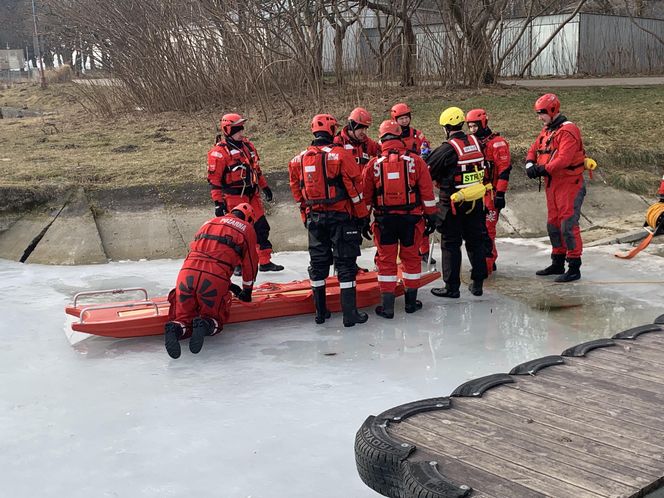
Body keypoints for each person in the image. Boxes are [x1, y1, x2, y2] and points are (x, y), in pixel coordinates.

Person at [288, 114, 371, 327]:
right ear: (332, 130)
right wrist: (362, 217)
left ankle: (320, 312)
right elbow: (355, 188)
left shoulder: (298, 159)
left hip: (315, 219)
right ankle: (349, 315)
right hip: (341, 217)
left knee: (317, 265)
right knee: (345, 265)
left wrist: (305, 217)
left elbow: (298, 192)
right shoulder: (340, 155)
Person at [363, 120, 438, 318]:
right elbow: (427, 192)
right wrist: (432, 217)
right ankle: (411, 304)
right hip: (411, 220)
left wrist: (362, 220)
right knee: (411, 260)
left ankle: (387, 307)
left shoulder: (373, 164)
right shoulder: (416, 161)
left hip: (384, 221)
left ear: (381, 138)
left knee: (386, 262)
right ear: (399, 136)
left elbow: (367, 197)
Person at [164, 203, 258, 359]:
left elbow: (206, 256)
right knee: (214, 318)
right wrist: (247, 291)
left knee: (183, 318)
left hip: (187, 274)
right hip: (214, 278)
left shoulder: (207, 223)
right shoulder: (246, 228)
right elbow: (250, 264)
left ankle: (174, 328)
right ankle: (205, 325)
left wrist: (230, 286)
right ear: (249, 219)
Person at [207, 113, 284, 273]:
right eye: (237, 129)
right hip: (234, 197)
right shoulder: (219, 153)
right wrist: (218, 203)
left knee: (261, 227)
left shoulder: (248, 146)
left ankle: (264, 261)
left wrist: (265, 188)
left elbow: (256, 170)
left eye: (242, 128)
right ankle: (237, 264)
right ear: (228, 130)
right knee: (237, 232)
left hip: (252, 194)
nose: (241, 132)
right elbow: (214, 181)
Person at [426, 106, 489, 298]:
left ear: (446, 127)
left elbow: (428, 170)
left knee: (451, 244)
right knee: (476, 242)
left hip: (452, 204)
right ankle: (477, 283)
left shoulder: (447, 149)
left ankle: (451, 287)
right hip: (476, 201)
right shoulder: (477, 143)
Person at [525, 93, 586, 282]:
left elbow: (563, 159)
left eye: (541, 113)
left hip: (569, 183)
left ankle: (574, 266)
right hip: (553, 184)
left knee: (568, 224)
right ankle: (558, 261)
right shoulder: (548, 130)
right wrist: (529, 164)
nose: (539, 117)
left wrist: (542, 169)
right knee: (553, 224)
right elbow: (534, 148)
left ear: (552, 111)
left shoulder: (568, 131)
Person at [466, 108, 512, 274]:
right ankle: (484, 261)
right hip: (475, 193)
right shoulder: (472, 143)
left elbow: (504, 170)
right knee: (476, 230)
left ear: (483, 123)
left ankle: (487, 263)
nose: (472, 130)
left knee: (487, 230)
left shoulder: (497, 143)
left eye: (475, 126)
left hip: (491, 194)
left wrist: (500, 193)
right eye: (470, 127)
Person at [390, 102, 435, 264]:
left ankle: (424, 250)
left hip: (416, 178)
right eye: (401, 118)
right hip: (399, 183)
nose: (404, 121)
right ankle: (402, 253)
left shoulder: (418, 135)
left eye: (406, 118)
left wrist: (424, 154)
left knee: (422, 217)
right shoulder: (391, 135)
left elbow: (426, 149)